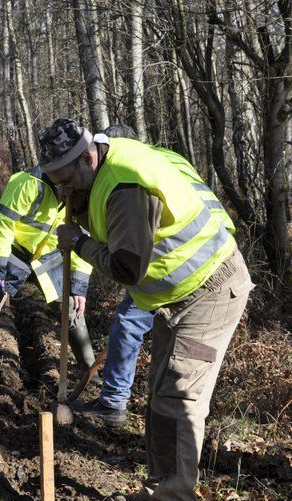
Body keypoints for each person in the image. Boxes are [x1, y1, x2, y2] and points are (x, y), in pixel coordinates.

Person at [38, 118, 253, 501]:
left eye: (66, 180)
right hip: (176, 296)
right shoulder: (103, 164)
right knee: (159, 395)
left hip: (210, 289)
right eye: (54, 182)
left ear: (87, 158)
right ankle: (157, 495)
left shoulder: (126, 187)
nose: (62, 190)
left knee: (179, 400)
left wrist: (80, 244)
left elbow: (127, 267)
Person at [74, 124, 236, 428]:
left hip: (189, 261)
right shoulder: (165, 159)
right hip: (205, 250)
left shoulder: (130, 172)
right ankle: (123, 401)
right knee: (155, 349)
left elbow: (131, 254)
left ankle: (113, 401)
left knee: (128, 321)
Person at [0, 165, 99, 381]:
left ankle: (90, 375)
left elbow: (82, 240)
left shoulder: (81, 193)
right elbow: (3, 226)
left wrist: (79, 286)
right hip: (14, 254)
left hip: (51, 258)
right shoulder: (27, 183)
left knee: (73, 311)